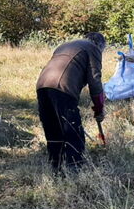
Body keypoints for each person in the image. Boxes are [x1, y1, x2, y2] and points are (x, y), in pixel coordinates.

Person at [35, 32, 106, 173]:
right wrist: (99, 108)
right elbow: (95, 80)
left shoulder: (66, 46)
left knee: (53, 128)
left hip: (42, 85)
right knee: (73, 129)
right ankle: (75, 168)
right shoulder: (93, 49)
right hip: (63, 87)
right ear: (101, 45)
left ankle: (56, 165)